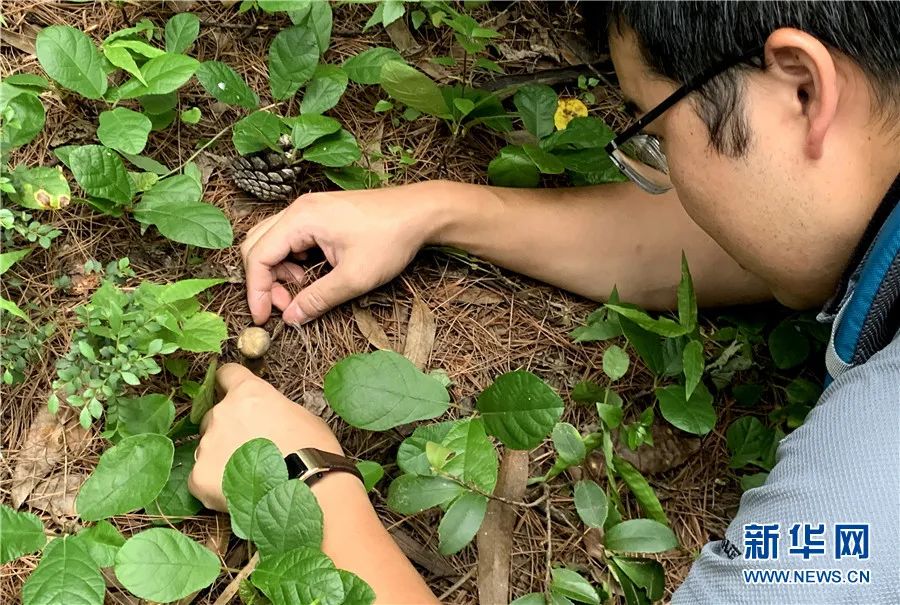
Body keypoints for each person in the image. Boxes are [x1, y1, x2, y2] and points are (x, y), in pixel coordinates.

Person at [187, 2, 900, 603]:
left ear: (803, 88)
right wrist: (434, 211)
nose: (670, 175)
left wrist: (303, 488)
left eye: (656, 133)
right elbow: (761, 226)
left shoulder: (873, 477)